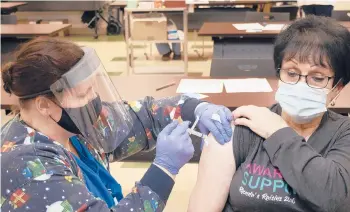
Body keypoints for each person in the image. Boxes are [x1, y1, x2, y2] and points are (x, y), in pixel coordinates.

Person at [0, 37, 233, 211]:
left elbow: (143, 118)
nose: (93, 100)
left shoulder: (73, 126)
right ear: (44, 105)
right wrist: (163, 170)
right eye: (82, 95)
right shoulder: (27, 168)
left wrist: (193, 108)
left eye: (93, 88)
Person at [188, 16, 350, 212]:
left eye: (317, 77)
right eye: (291, 73)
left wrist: (278, 131)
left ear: (338, 87)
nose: (301, 85)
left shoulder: (344, 134)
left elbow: (337, 198)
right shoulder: (243, 127)